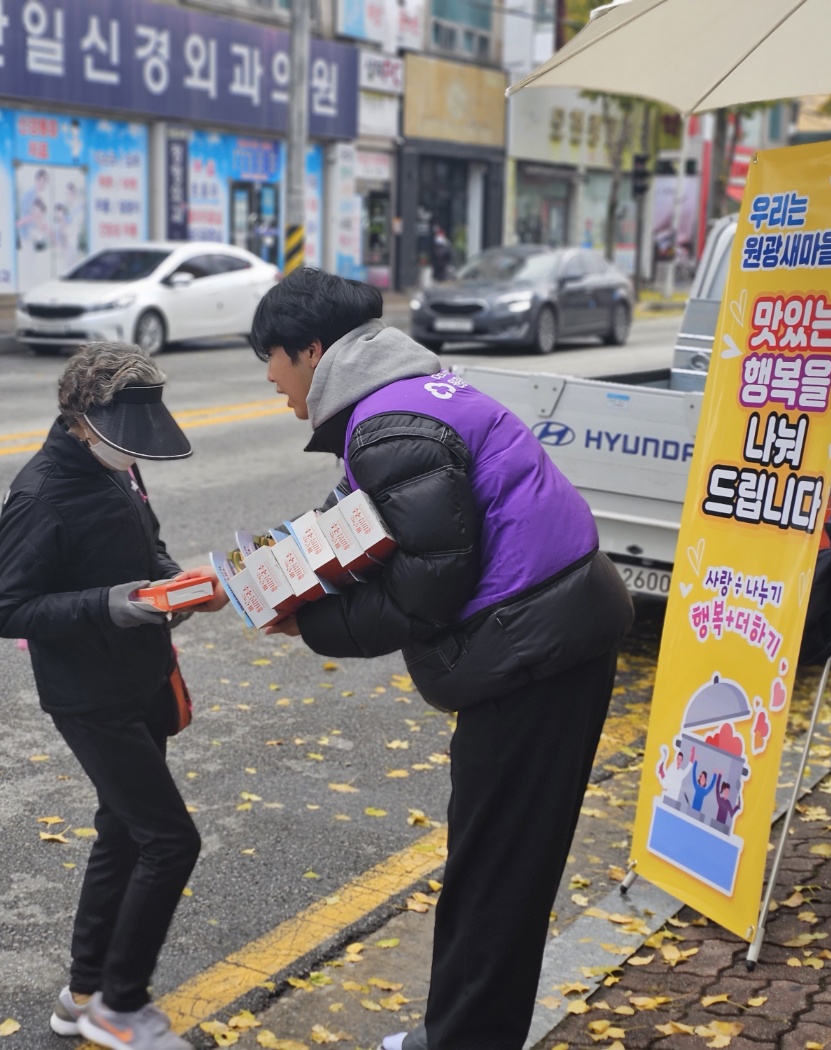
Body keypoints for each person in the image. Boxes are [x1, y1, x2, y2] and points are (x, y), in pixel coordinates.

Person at [248, 268, 634, 1050]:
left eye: (275, 362)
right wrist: (289, 564)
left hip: (534, 659)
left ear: (313, 351)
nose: (271, 382)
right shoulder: (411, 396)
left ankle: (461, 1041)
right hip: (549, 642)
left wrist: (311, 626)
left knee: (495, 875)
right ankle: (458, 1033)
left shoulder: (389, 426)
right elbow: (375, 519)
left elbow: (425, 589)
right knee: (497, 863)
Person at [0, 343, 227, 1050]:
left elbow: (144, 550)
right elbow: (6, 609)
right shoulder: (42, 493)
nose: (134, 454)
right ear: (83, 420)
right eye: (124, 437)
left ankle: (81, 993)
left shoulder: (118, 463)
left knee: (123, 832)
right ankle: (120, 1008)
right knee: (170, 841)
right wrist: (116, 605)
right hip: (90, 695)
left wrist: (178, 590)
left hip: (142, 676)